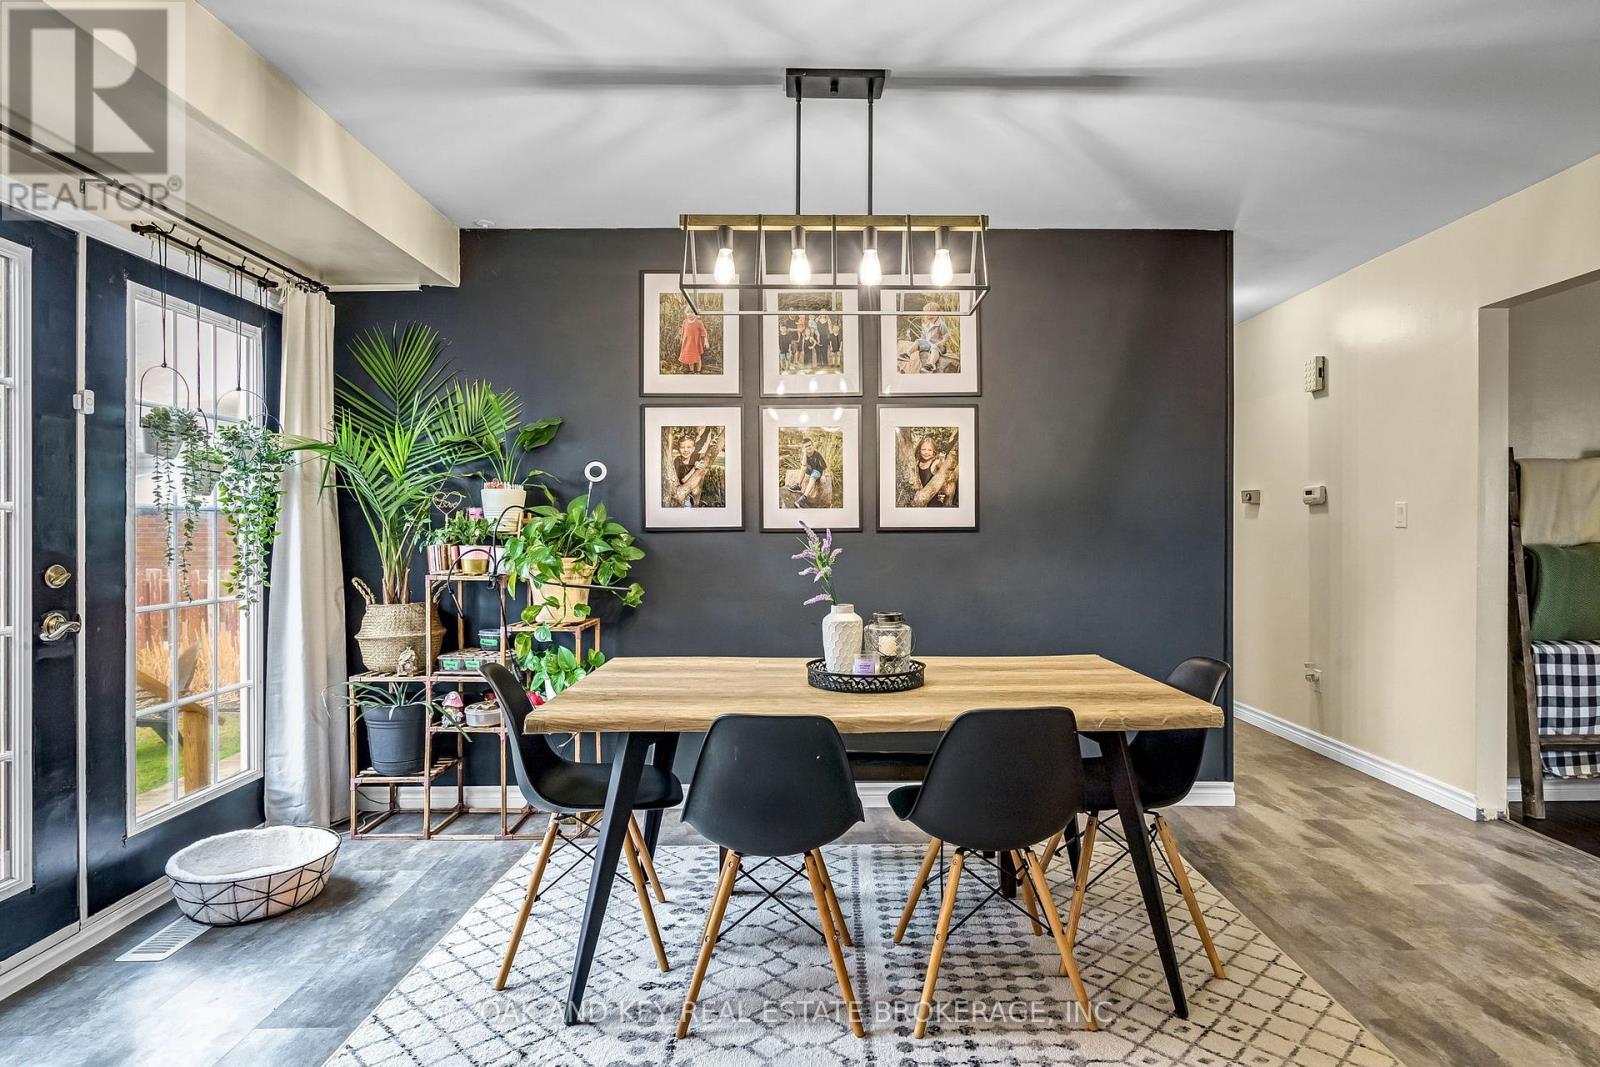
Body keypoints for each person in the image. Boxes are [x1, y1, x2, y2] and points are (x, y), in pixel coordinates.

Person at [912, 435, 953, 507]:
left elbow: (944, 469)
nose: (926, 452)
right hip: (920, 497)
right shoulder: (917, 462)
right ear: (919, 450)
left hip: (934, 499)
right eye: (923, 449)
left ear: (934, 451)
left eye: (929, 450)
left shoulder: (935, 462)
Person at [912, 302, 952, 372]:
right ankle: (907, 353)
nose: (929, 316)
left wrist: (941, 342)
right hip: (929, 344)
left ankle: (931, 364)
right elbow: (923, 337)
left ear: (938, 314)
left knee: (934, 347)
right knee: (918, 341)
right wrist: (921, 343)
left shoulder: (941, 324)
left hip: (939, 346)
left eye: (932, 314)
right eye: (927, 314)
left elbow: (947, 336)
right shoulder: (925, 325)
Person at [791, 435, 827, 506]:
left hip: (817, 471)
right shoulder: (806, 455)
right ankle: (798, 484)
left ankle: (804, 498)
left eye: (809, 445)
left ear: (813, 445)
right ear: (803, 448)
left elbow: (824, 466)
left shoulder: (817, 454)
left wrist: (823, 475)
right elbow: (804, 465)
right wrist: (805, 453)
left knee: (813, 475)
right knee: (803, 467)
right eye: (806, 446)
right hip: (811, 470)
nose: (808, 447)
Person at [677, 308, 708, 374]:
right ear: (686, 313)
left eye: (692, 312)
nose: (690, 314)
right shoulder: (685, 321)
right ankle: (692, 371)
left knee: (697, 358)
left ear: (696, 314)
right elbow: (683, 331)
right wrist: (681, 339)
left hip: (695, 343)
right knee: (689, 357)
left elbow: (704, 332)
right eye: (688, 313)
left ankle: (698, 371)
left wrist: (706, 341)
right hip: (687, 343)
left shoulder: (699, 322)